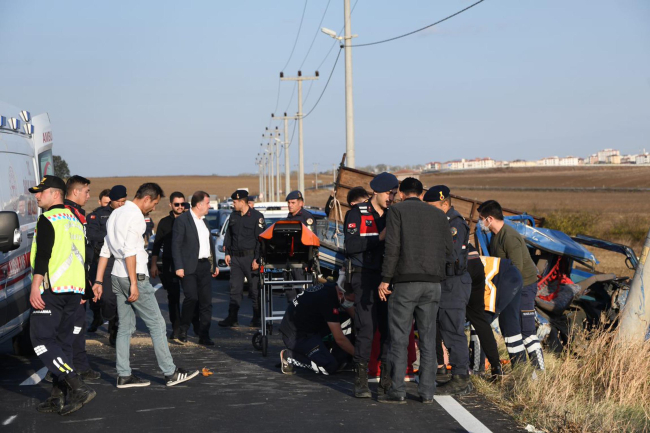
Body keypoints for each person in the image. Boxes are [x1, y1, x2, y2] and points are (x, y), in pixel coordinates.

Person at [92, 183, 199, 388]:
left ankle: (124, 375)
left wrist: (98, 281)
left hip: (116, 276)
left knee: (125, 327)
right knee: (157, 324)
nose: (154, 208)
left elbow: (105, 250)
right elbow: (130, 252)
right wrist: (134, 284)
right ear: (147, 198)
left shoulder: (115, 213)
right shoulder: (136, 218)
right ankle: (170, 372)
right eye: (155, 203)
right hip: (134, 278)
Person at [379, 177, 453, 404]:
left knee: (400, 338)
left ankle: (398, 390)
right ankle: (427, 392)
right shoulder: (439, 215)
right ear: (422, 194)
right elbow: (449, 251)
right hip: (432, 285)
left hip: (405, 284)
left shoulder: (397, 211)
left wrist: (385, 279)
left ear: (401, 193)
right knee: (428, 339)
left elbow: (392, 248)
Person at [28, 175, 96, 415]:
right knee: (62, 343)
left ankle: (77, 386)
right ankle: (58, 397)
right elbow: (85, 255)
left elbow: (43, 255)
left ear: (55, 194)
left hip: (52, 289)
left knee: (42, 340)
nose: (37, 196)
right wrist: (86, 289)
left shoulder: (48, 218)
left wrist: (36, 286)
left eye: (40, 192)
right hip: (73, 291)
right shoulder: (75, 220)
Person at [343, 172, 398, 398]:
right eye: (388, 193)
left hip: (387, 278)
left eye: (394, 193)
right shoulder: (356, 214)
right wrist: (380, 238)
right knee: (366, 328)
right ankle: (360, 380)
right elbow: (352, 245)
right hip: (364, 276)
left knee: (388, 328)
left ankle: (385, 380)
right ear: (376, 191)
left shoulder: (394, 214)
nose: (391, 198)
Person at [477, 200, 545, 370]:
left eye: (481, 218)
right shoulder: (495, 237)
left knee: (527, 331)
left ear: (489, 219)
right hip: (510, 288)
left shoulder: (510, 237)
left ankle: (539, 371)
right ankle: (521, 369)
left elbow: (517, 271)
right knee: (509, 330)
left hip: (523, 288)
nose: (480, 222)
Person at [423, 185, 473, 395]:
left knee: (453, 330)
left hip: (453, 282)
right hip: (445, 282)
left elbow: (450, 255)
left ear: (445, 204)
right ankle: (455, 375)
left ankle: (461, 378)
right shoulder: (440, 222)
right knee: (444, 329)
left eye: (433, 207)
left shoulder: (454, 224)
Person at [62, 175, 101, 382]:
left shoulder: (78, 213)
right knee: (71, 328)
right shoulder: (66, 215)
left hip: (79, 279)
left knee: (78, 326)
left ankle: (79, 365)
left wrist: (86, 281)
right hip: (68, 283)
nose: (89, 195)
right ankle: (62, 371)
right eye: (86, 191)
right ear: (75, 192)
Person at [467, 245, 526, 369]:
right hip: (513, 275)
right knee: (511, 327)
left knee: (479, 323)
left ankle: (477, 368)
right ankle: (521, 369)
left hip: (498, 279)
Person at [171, 191, 219, 345]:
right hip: (188, 266)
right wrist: (178, 266)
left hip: (205, 266)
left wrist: (214, 264)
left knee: (206, 302)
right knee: (192, 297)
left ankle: (204, 334)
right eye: (207, 203)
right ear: (199, 205)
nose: (209, 206)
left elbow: (209, 245)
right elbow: (176, 245)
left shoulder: (204, 221)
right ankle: (183, 328)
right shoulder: (183, 220)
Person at [279, 280, 355, 375]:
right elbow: (339, 339)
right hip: (296, 336)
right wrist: (360, 357)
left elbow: (353, 315)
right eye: (351, 301)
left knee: (346, 319)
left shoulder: (335, 287)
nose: (351, 304)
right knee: (330, 366)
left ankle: (339, 358)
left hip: (308, 325)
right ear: (340, 294)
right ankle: (290, 357)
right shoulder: (328, 301)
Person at [219, 190, 266, 328]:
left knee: (255, 290)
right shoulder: (233, 216)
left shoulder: (257, 217)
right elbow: (229, 235)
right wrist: (227, 252)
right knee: (235, 289)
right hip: (236, 258)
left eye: (234, 202)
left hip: (251, 258)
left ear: (242, 202)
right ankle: (232, 318)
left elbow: (261, 240)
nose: (233, 204)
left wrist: (257, 259)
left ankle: (257, 318)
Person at [86, 185, 127, 340]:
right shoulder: (98, 215)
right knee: (102, 298)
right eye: (118, 201)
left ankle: (114, 328)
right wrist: (112, 236)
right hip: (101, 259)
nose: (120, 204)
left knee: (118, 297)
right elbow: (92, 234)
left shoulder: (126, 214)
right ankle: (100, 317)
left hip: (121, 260)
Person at [150, 191, 185, 340]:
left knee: (192, 296)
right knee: (173, 297)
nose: (180, 207)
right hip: (170, 264)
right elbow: (157, 245)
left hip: (187, 263)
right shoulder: (164, 222)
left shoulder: (189, 220)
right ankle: (176, 327)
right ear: (171, 205)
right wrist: (154, 265)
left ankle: (191, 326)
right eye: (177, 204)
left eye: (182, 204)